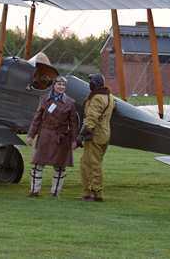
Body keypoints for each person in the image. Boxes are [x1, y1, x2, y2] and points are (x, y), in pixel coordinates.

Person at [25, 75, 79, 198]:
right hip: (45, 134)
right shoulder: (43, 99)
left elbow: (73, 123)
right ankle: (34, 191)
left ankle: (55, 193)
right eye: (59, 84)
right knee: (37, 164)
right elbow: (37, 119)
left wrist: (74, 140)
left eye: (63, 85)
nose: (61, 87)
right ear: (53, 85)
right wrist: (31, 135)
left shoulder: (70, 102)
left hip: (61, 137)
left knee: (60, 166)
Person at [74, 73, 115, 202]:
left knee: (93, 165)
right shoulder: (109, 96)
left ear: (95, 84)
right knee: (85, 162)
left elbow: (91, 120)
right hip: (104, 132)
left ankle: (97, 194)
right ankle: (87, 192)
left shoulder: (97, 98)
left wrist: (80, 136)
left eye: (91, 82)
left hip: (95, 134)